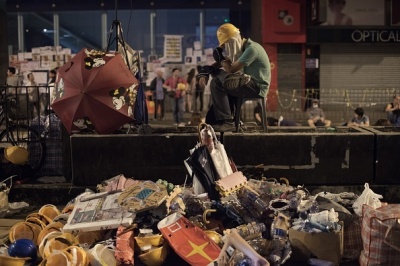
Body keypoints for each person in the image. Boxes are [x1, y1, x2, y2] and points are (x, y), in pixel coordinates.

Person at [197, 23, 271, 131]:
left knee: (217, 82)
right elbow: (220, 64)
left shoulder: (252, 49)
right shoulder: (240, 51)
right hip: (245, 83)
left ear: (233, 40)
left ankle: (227, 122)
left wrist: (221, 59)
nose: (226, 47)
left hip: (257, 87)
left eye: (227, 44)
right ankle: (226, 120)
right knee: (220, 76)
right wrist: (205, 72)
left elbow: (231, 69)